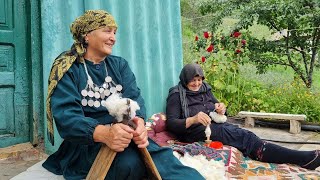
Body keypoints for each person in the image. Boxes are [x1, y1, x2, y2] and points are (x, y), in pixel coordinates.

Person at [43, 10, 204, 180]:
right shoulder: (68, 69)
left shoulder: (119, 65)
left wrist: (139, 123)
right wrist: (105, 133)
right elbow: (67, 117)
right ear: (86, 35)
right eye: (107, 30)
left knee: (164, 160)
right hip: (87, 143)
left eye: (114, 32)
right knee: (130, 164)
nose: (113, 38)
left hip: (125, 136)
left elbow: (135, 98)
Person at [166, 63, 320, 170]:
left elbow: (219, 108)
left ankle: (295, 157)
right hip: (195, 132)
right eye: (193, 80)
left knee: (248, 136)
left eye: (199, 80)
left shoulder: (205, 89)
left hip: (215, 126)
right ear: (185, 79)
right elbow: (171, 124)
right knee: (247, 140)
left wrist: (221, 108)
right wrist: (193, 119)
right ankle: (303, 158)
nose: (197, 84)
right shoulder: (176, 95)